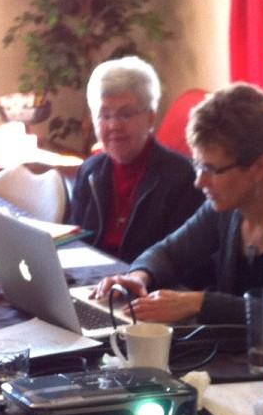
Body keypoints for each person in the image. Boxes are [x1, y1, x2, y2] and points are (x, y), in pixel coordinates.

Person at [93, 82, 263, 369]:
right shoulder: (228, 208)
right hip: (249, 365)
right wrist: (140, 276)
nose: (199, 181)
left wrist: (197, 303)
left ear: (259, 167)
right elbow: (167, 252)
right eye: (198, 166)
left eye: (212, 169)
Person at [67, 56, 204, 263]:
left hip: (147, 289)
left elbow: (183, 264)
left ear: (150, 118)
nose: (114, 125)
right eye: (104, 115)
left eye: (126, 114)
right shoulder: (90, 172)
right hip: (88, 286)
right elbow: (73, 245)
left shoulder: (184, 179)